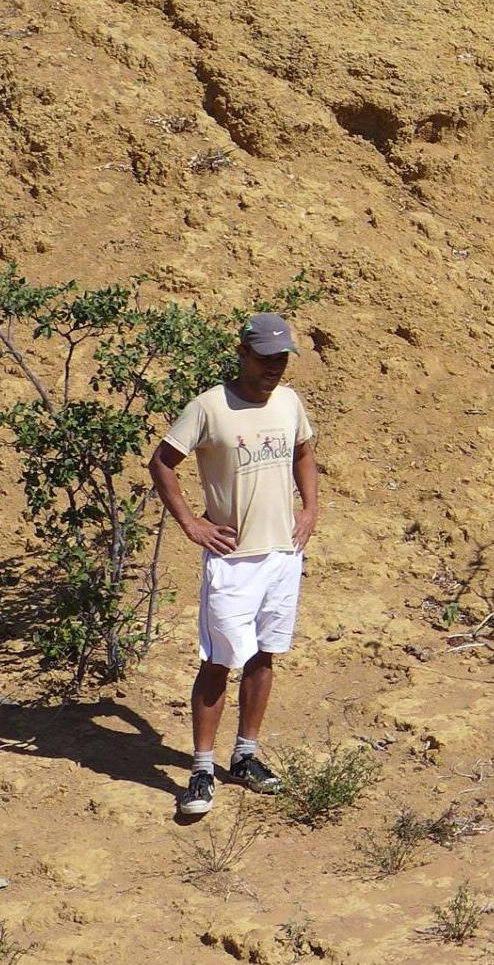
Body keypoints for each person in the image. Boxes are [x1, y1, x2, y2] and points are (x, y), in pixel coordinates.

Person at [150, 311, 320, 818]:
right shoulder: (208, 407)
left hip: (283, 554)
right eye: (266, 359)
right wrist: (192, 525)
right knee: (219, 661)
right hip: (233, 561)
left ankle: (245, 756)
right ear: (243, 354)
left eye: (282, 359)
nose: (275, 369)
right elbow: (162, 463)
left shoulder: (288, 402)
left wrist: (310, 509)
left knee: (265, 655)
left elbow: (304, 452)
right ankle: (202, 769)